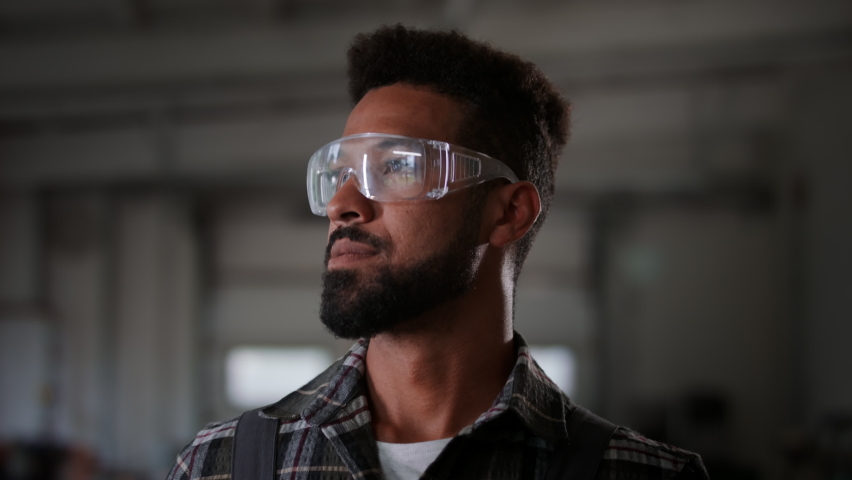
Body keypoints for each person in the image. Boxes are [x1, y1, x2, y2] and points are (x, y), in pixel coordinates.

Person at [166, 25, 709, 480]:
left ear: (507, 213)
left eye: (397, 166)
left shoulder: (638, 473)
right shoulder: (223, 466)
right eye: (339, 173)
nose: (343, 204)